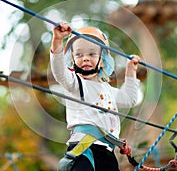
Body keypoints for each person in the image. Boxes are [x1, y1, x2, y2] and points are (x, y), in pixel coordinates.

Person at [50, 22, 141, 171]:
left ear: (103, 62)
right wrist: (57, 41)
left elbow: (129, 99)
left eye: (92, 54)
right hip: (84, 150)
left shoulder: (108, 90)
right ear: (72, 61)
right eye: (79, 54)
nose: (85, 58)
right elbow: (59, 72)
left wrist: (131, 70)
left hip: (107, 153)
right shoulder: (75, 83)